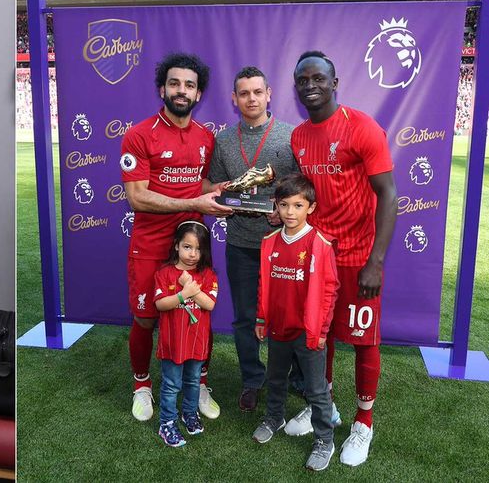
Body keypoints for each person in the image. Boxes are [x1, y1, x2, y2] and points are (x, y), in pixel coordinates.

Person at [287, 51, 397, 467]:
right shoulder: (299, 137)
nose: (310, 85)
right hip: (318, 258)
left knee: (364, 341)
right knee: (319, 336)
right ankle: (324, 406)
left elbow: (388, 194)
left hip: (357, 258)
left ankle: (363, 421)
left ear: (335, 83)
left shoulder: (362, 127)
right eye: (303, 80)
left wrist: (376, 261)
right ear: (296, 88)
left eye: (318, 78)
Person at [120, 52, 232, 423]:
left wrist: (221, 192)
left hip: (192, 246)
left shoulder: (205, 137)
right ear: (161, 89)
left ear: (198, 94)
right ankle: (141, 385)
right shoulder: (138, 135)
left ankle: (198, 383)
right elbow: (137, 196)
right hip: (151, 244)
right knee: (147, 318)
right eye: (174, 83)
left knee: (198, 311)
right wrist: (194, 200)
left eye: (189, 85)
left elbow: (201, 185)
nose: (181, 91)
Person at [204, 66, 301, 412]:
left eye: (257, 92)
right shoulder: (224, 140)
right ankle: (252, 379)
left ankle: (291, 376)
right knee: (245, 317)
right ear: (234, 98)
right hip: (242, 244)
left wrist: (284, 208)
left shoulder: (290, 137)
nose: (251, 99)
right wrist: (219, 195)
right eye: (243, 93)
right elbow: (210, 183)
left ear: (269, 94)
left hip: (285, 244)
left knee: (287, 316)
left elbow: (304, 188)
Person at [251, 173, 339, 471]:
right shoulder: (269, 242)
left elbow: (329, 290)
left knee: (316, 389)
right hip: (278, 327)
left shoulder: (320, 243)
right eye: (284, 205)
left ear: (310, 208)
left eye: (298, 205)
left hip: (309, 331)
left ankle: (325, 439)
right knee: (275, 378)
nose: (290, 212)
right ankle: (274, 418)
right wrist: (262, 317)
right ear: (275, 205)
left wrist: (323, 329)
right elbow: (265, 283)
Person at [153, 221, 218, 447]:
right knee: (171, 384)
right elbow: (161, 304)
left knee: (192, 381)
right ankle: (167, 422)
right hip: (173, 343)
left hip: (197, 344)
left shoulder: (208, 274)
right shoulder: (164, 273)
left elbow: (209, 304)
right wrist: (183, 294)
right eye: (187, 247)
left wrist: (192, 290)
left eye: (198, 249)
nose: (192, 254)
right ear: (176, 246)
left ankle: (189, 413)